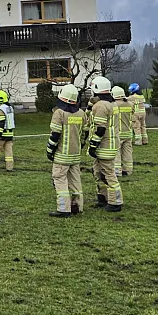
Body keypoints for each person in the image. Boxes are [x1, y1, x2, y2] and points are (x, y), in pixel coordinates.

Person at [46, 84, 86, 217]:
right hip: (75, 155)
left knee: (59, 179)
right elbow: (85, 133)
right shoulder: (81, 113)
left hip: (62, 155)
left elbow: (55, 134)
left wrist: (50, 150)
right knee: (75, 180)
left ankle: (64, 209)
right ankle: (77, 206)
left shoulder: (59, 113)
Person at [87, 77, 121, 212]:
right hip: (110, 144)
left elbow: (100, 128)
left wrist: (93, 146)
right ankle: (103, 198)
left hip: (103, 146)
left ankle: (115, 202)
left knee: (108, 174)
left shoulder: (101, 106)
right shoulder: (112, 104)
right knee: (98, 173)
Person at [112, 86, 135, 177]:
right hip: (128, 132)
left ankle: (117, 171)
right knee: (127, 152)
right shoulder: (130, 104)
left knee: (116, 153)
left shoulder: (114, 105)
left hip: (118, 133)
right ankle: (128, 170)